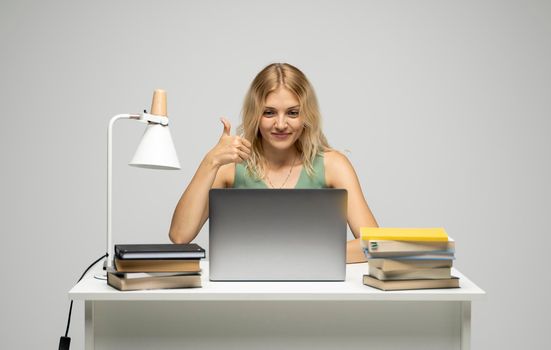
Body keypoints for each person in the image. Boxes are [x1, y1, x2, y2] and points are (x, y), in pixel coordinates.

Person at [169, 63, 378, 263]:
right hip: (242, 290)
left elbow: (374, 244)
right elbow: (180, 236)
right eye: (269, 112)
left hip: (313, 290)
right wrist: (210, 161)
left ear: (306, 116)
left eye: (292, 113)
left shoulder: (334, 165)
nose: (280, 124)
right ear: (255, 115)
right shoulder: (230, 166)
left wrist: (301, 256)